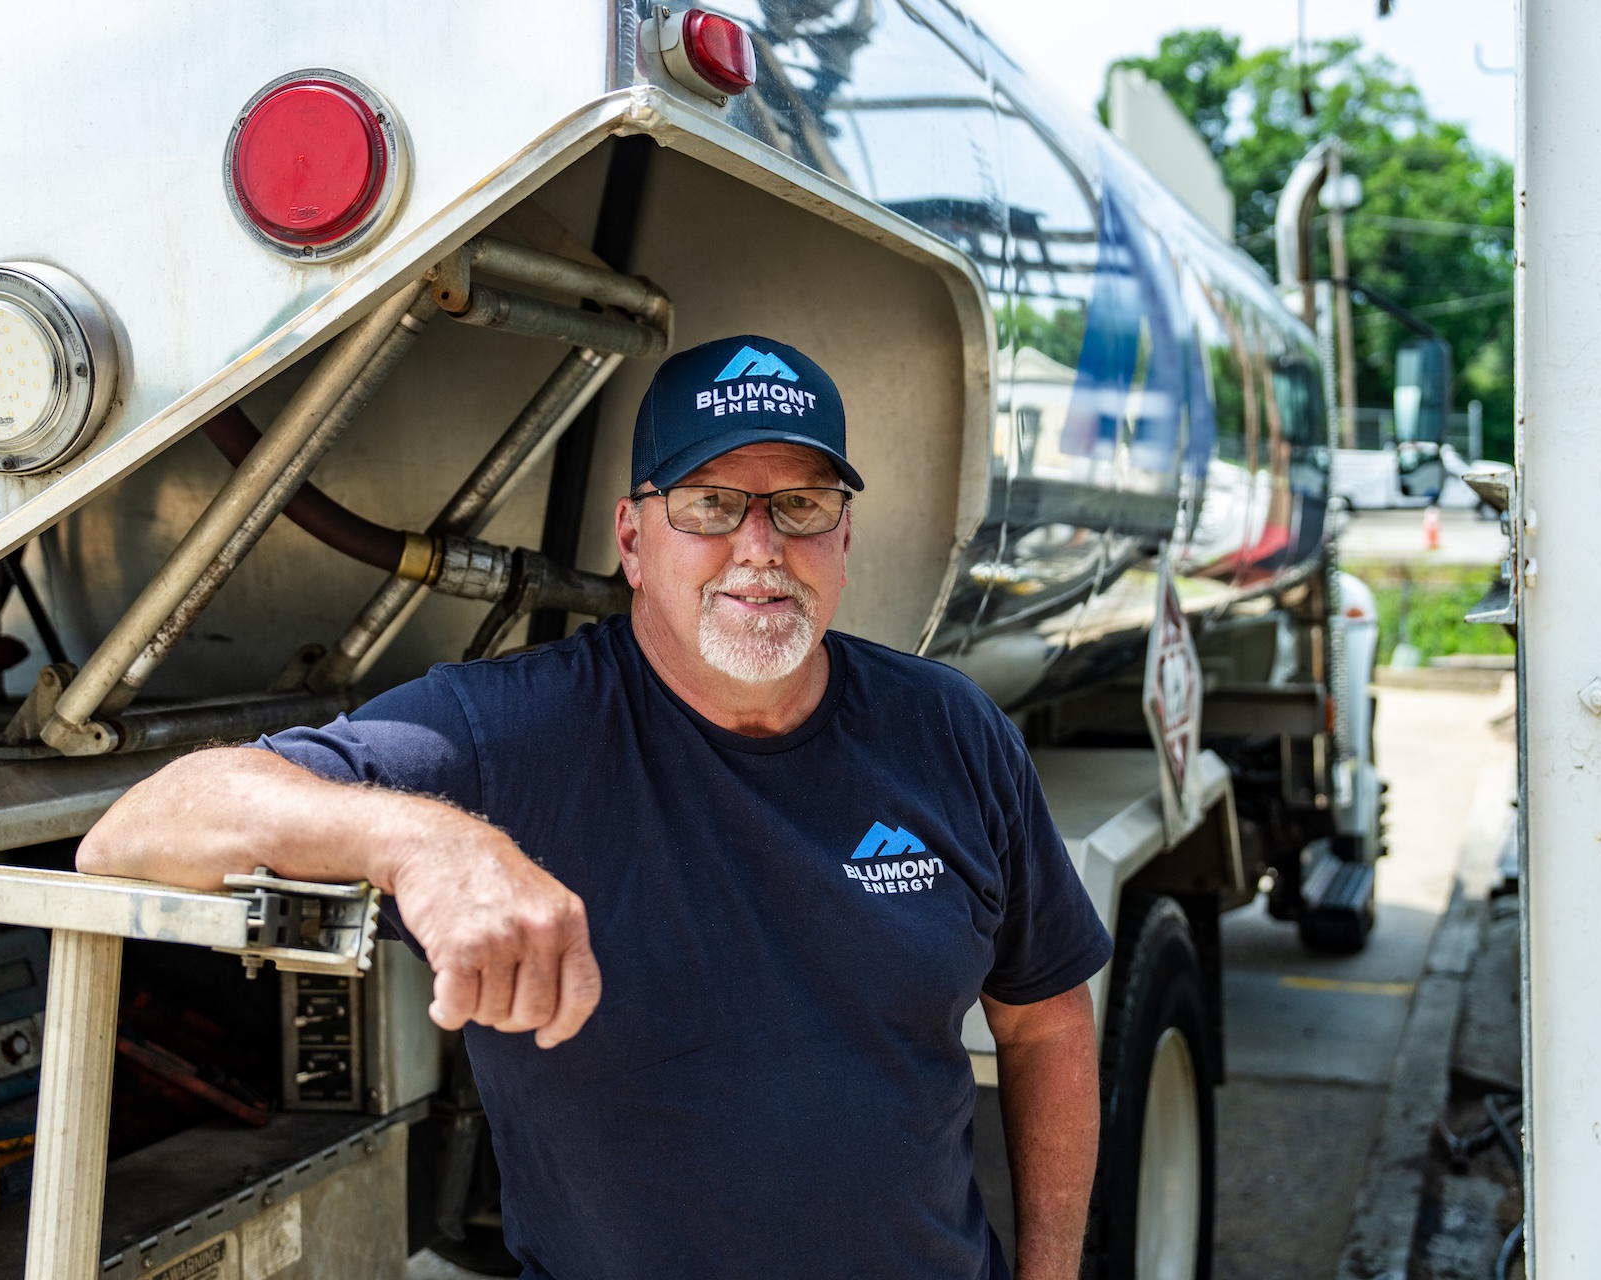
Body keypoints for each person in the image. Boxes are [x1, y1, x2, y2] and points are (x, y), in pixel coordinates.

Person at [80, 334, 1113, 1280]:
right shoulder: (509, 737)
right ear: (632, 536)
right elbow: (133, 833)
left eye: (799, 504)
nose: (760, 546)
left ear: (844, 537)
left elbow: (1044, 1023)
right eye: (709, 503)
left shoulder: (951, 731)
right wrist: (423, 841)